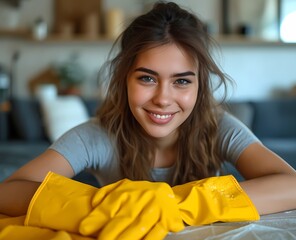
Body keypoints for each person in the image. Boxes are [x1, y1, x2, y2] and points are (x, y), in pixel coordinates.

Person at [0, 1, 295, 239]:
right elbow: (8, 191)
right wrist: (106, 205)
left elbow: (291, 185)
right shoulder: (96, 135)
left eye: (181, 82)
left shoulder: (218, 126)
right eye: (147, 78)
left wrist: (172, 205)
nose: (163, 99)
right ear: (124, 78)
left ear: (200, 86)